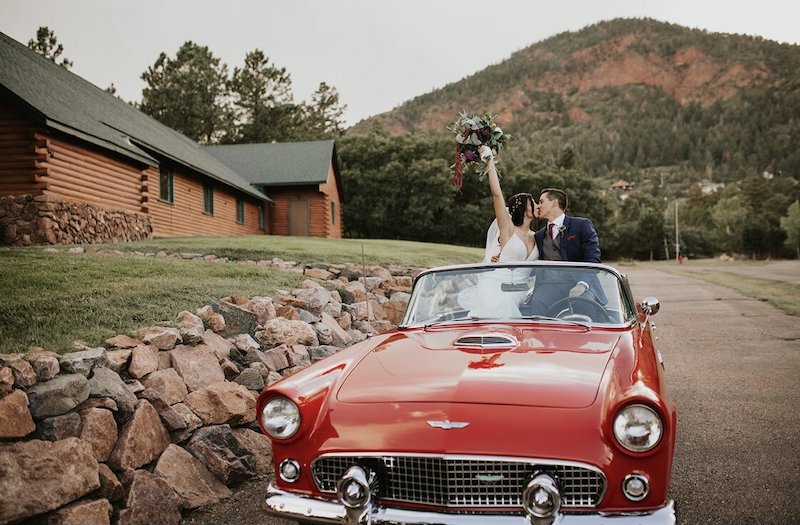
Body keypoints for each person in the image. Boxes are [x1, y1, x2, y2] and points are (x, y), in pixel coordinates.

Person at [458, 146, 537, 319]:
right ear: (524, 208)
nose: (537, 206)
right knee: (502, 303)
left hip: (519, 289)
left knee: (510, 302)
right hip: (496, 284)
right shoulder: (508, 229)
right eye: (533, 203)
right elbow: (497, 195)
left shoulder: (538, 237)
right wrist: (489, 159)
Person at [528, 188, 606, 315]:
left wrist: (582, 284)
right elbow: (533, 264)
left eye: (541, 202)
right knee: (538, 302)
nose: (538, 206)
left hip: (579, 283)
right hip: (549, 285)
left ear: (554, 202)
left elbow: (593, 259)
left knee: (584, 303)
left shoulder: (582, 225)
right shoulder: (539, 236)